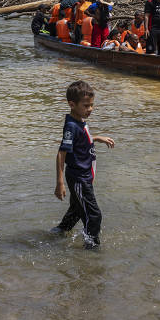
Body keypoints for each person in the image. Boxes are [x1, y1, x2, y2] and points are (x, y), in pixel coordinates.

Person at [51, 81, 115, 249]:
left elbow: (79, 142)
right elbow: (61, 153)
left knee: (77, 209)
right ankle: (91, 251)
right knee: (94, 216)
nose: (90, 109)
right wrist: (60, 183)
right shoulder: (71, 126)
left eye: (92, 105)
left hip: (84, 176)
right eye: (86, 106)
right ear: (72, 104)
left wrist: (96, 138)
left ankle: (59, 232)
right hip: (79, 177)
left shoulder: (78, 120)